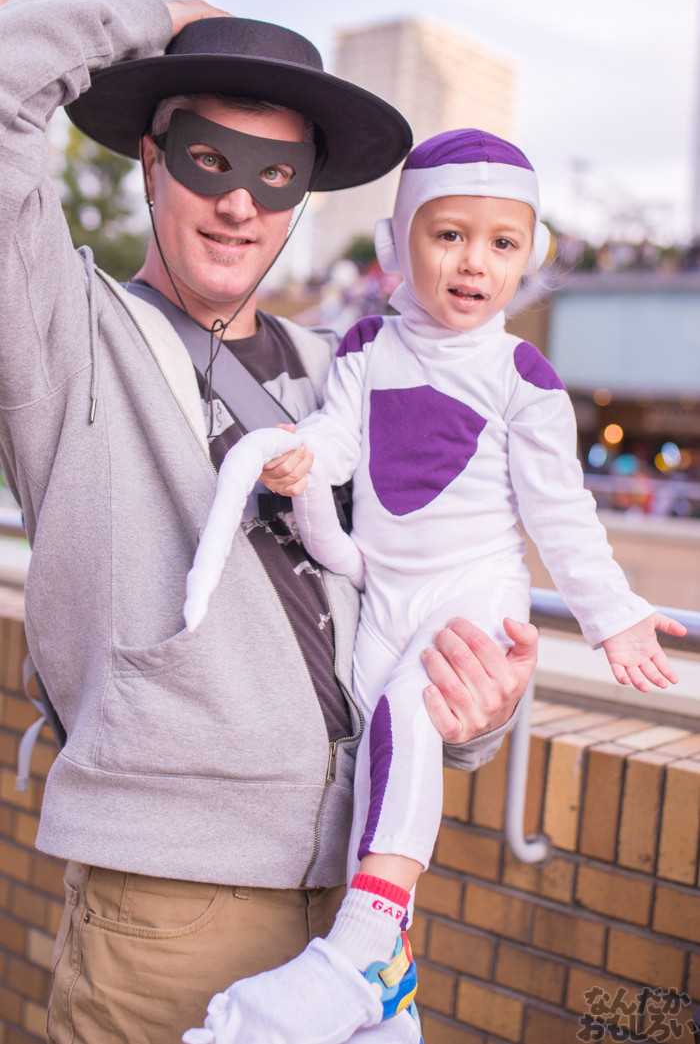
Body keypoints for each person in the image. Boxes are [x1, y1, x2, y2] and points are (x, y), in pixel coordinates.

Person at [0, 0, 538, 1043]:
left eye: (276, 174)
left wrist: (474, 708)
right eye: (209, 159)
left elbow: (419, 588)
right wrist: (153, 13)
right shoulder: (65, 339)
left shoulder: (349, 371)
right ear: (151, 162)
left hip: (357, 923)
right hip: (168, 914)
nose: (240, 202)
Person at [181, 129, 687, 1044]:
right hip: (384, 602)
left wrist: (613, 615)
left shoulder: (524, 377)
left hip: (471, 600)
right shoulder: (367, 344)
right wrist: (298, 458)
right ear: (399, 242)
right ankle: (384, 978)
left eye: (502, 242)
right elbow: (339, 441)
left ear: (529, 256)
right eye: (449, 234)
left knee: (411, 716)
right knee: (375, 757)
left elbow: (563, 515)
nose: (474, 262)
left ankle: (361, 949)